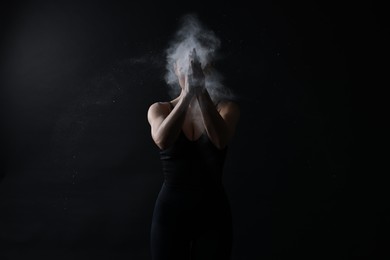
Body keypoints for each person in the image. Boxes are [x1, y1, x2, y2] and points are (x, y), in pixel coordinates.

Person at [147, 17, 240, 260]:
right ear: (175, 69)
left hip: (213, 214)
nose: (190, 72)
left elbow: (220, 140)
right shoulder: (159, 109)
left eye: (200, 66)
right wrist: (188, 95)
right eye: (185, 66)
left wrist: (200, 93)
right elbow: (162, 140)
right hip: (170, 214)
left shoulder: (226, 108)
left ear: (207, 70)